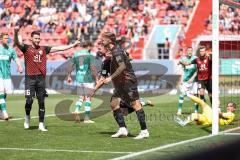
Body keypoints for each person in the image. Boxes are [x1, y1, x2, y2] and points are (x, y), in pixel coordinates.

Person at [14, 26, 80, 131]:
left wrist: (73, 45)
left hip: (40, 79)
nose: (37, 40)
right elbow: (17, 42)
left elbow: (59, 48)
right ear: (31, 39)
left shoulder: (44, 49)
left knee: (41, 101)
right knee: (29, 101)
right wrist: (15, 31)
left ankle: (41, 124)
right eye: (35, 38)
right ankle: (27, 117)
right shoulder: (26, 48)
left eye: (38, 38)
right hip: (29, 79)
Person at [99, 32, 149, 139]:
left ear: (110, 40)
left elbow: (122, 66)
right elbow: (129, 59)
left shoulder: (116, 52)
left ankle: (144, 131)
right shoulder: (114, 51)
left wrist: (111, 77)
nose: (101, 40)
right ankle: (123, 129)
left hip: (127, 80)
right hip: (121, 82)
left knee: (135, 104)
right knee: (113, 103)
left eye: (103, 39)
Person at [67, 41, 97, 123]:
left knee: (81, 97)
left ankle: (76, 110)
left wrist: (69, 76)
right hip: (87, 78)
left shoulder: (76, 54)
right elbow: (92, 67)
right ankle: (87, 118)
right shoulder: (90, 55)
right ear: (89, 46)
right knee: (88, 98)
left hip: (79, 78)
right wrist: (97, 78)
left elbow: (71, 65)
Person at [0, 33, 23, 120]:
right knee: (1, 92)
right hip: (0, 75)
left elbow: (16, 58)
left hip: (7, 75)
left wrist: (19, 66)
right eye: (5, 38)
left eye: (8, 38)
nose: (7, 40)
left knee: (5, 93)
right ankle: (5, 113)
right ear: (1, 39)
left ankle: (1, 111)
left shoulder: (11, 50)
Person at [177, 47, 198, 115]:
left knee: (195, 95)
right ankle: (179, 110)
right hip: (186, 80)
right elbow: (181, 68)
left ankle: (196, 111)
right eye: (188, 50)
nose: (189, 52)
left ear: (192, 51)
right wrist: (181, 80)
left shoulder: (195, 59)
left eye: (191, 51)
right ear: (186, 51)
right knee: (182, 94)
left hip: (194, 80)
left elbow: (198, 70)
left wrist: (192, 78)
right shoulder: (183, 59)